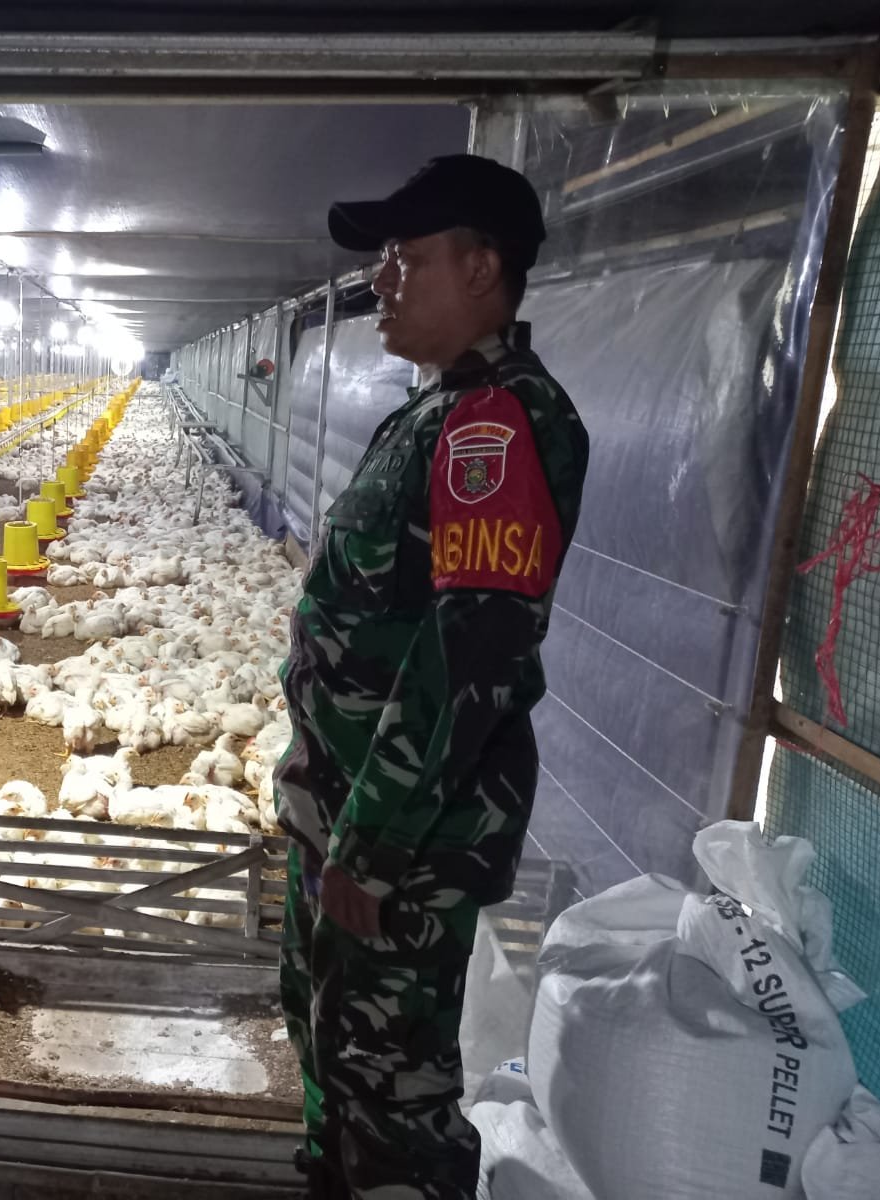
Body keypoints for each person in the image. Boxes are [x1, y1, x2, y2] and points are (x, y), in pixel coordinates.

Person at [275, 155, 589, 1199]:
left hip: (403, 843)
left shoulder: (498, 424)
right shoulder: (432, 413)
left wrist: (367, 851)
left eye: (408, 260)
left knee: (390, 1091)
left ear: (483, 268)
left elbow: (472, 656)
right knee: (333, 1055)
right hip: (347, 810)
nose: (383, 283)